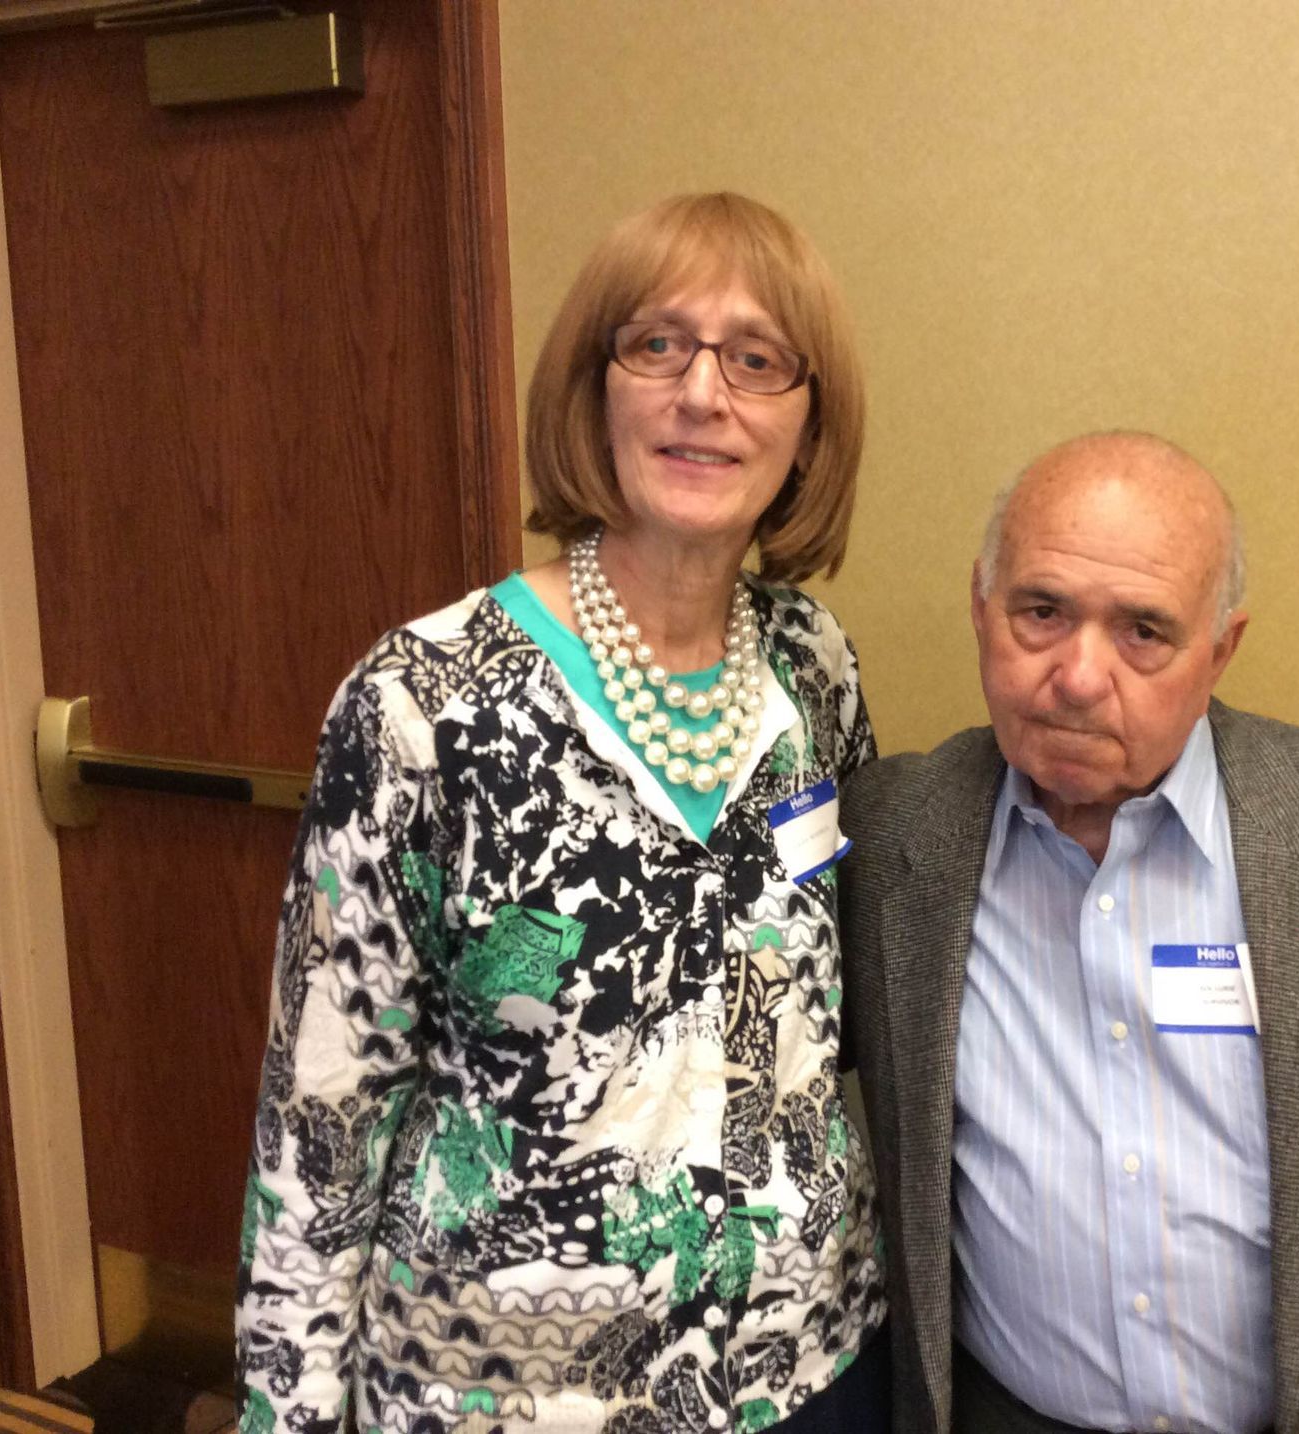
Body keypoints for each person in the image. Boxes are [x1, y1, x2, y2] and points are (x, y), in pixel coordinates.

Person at [236, 193, 887, 1434]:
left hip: (808, 1369)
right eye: (658, 345)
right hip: (512, 1394)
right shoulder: (422, 704)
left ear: (810, 426)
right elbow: (321, 1121)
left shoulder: (816, 666)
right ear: (594, 391)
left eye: (758, 359)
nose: (704, 394)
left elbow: (833, 1012)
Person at [841, 432, 1299, 1434]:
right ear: (981, 607)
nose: (1079, 676)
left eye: (1143, 630)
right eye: (1042, 612)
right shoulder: (893, 837)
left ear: (1220, 650)